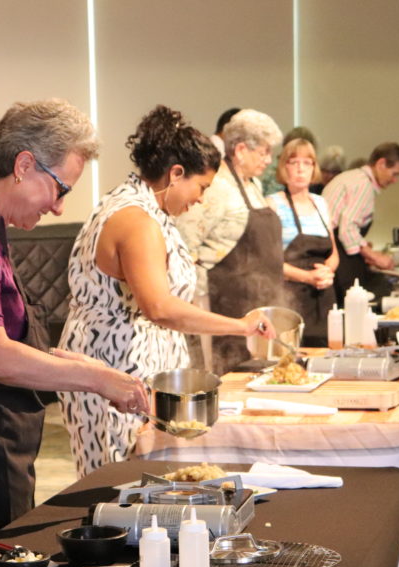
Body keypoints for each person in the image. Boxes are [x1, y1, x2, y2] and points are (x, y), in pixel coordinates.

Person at [0, 100, 149, 566]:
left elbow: (9, 339)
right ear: (23, 165)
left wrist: (87, 365)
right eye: (59, 188)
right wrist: (97, 381)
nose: (59, 205)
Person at [58, 106, 273, 476]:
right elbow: (159, 306)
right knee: (116, 483)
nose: (201, 200)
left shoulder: (151, 211)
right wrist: (240, 326)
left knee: (148, 487)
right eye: (201, 187)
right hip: (114, 371)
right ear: (176, 174)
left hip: (139, 372)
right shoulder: (135, 218)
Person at [176, 109, 284, 374]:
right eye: (263, 152)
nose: (269, 160)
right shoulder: (216, 188)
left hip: (253, 303)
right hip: (219, 302)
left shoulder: (253, 185)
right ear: (240, 150)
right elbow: (184, 246)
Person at [266, 138, 339, 345]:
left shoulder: (321, 203)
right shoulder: (273, 204)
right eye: (294, 162)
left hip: (324, 294)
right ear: (284, 167)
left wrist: (327, 272)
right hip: (290, 297)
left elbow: (333, 252)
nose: (300, 169)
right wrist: (307, 277)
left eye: (307, 163)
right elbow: (271, 261)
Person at [323, 142, 399, 302]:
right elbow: (347, 230)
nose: (395, 180)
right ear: (381, 164)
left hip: (334, 250)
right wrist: (376, 257)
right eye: (394, 174)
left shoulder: (354, 177)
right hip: (334, 254)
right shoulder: (363, 185)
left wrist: (363, 248)